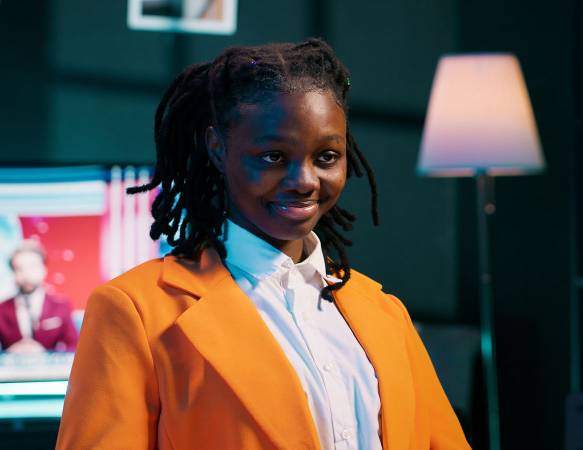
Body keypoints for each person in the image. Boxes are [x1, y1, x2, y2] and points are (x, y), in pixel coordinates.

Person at [56, 39, 470, 449]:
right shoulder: (135, 311)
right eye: (273, 157)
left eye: (326, 157)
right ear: (218, 149)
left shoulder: (386, 313)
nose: (304, 181)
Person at [0, 240, 78, 353]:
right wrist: (9, 354)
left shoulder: (61, 306)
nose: (26, 274)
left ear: (44, 269)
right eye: (19, 268)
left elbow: (73, 347)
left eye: (32, 267)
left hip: (50, 364)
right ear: (13, 273)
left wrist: (47, 354)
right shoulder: (2, 309)